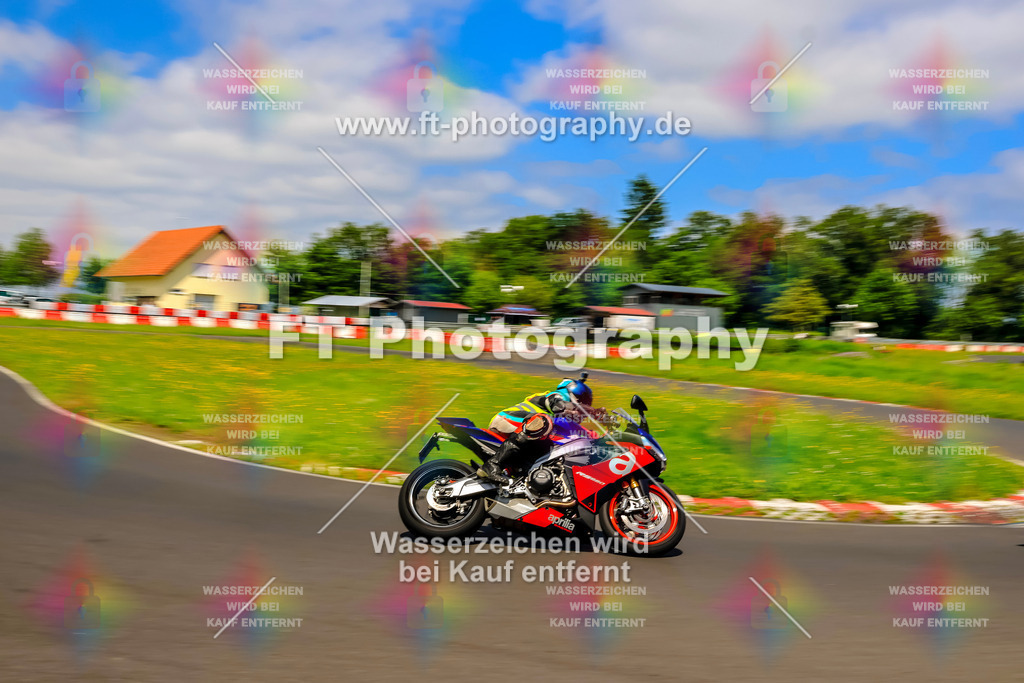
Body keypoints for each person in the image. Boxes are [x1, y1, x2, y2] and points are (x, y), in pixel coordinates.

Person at [478, 374, 594, 484]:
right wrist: (593, 411)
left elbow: (586, 435)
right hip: (507, 421)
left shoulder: (564, 419)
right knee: (543, 420)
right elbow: (559, 406)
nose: (581, 414)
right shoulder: (555, 396)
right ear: (576, 398)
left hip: (526, 436)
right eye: (583, 405)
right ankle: (493, 464)